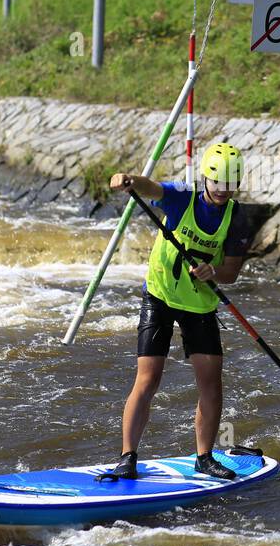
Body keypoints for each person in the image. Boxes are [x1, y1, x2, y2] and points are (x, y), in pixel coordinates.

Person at [104, 142, 252, 481]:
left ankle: (205, 457)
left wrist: (213, 272)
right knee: (149, 377)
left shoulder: (237, 218)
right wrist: (128, 180)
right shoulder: (182, 197)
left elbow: (231, 271)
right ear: (205, 179)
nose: (222, 190)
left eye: (230, 184)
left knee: (211, 385)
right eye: (216, 183)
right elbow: (150, 188)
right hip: (159, 295)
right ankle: (127, 457)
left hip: (199, 305)